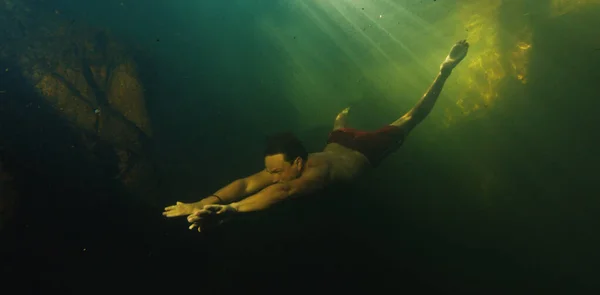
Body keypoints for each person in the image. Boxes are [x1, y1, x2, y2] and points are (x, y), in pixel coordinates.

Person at [163, 40, 470, 231]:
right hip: (338, 141)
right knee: (338, 126)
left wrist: (231, 210)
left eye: (275, 171)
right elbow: (246, 183)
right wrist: (199, 203)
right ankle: (343, 115)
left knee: (412, 117)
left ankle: (445, 70)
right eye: (270, 170)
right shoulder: (288, 167)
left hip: (367, 150)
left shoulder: (314, 175)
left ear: (298, 163)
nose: (270, 176)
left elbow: (281, 194)